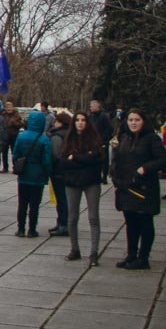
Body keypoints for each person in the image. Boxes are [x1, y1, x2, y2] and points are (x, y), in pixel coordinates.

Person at [111, 109, 166, 271]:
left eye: (137, 120)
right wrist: (114, 174)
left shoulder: (151, 139)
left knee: (145, 223)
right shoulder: (125, 137)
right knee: (130, 223)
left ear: (144, 121)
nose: (133, 123)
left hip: (144, 189)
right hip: (126, 187)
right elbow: (118, 159)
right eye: (130, 120)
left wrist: (145, 168)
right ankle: (131, 254)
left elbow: (163, 159)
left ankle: (143, 257)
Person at [62, 111, 103, 265]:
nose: (80, 122)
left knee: (93, 217)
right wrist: (85, 158)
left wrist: (77, 157)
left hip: (91, 181)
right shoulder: (69, 138)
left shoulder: (93, 139)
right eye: (77, 120)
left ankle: (94, 252)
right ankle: (75, 249)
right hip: (73, 182)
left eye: (83, 120)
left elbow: (97, 159)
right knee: (72, 217)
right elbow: (64, 162)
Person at [12, 111, 52, 238]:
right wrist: (47, 172)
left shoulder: (21, 136)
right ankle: (32, 229)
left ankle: (20, 228)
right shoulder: (44, 139)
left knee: (22, 203)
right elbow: (47, 160)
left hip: (23, 174)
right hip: (38, 176)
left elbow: (15, 155)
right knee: (34, 205)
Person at [46, 112, 71, 236]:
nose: (54, 123)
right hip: (67, 171)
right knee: (64, 199)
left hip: (58, 172)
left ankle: (63, 224)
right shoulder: (70, 134)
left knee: (61, 200)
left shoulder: (57, 136)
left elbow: (54, 155)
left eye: (56, 121)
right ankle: (63, 223)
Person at [88, 100, 114, 185]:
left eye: (91, 106)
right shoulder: (91, 116)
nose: (90, 108)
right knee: (94, 158)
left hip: (102, 142)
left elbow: (109, 129)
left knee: (104, 160)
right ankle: (96, 176)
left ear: (97, 106)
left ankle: (104, 177)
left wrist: (104, 140)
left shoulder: (104, 116)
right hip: (92, 141)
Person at [1, 102, 24, 173]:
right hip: (5, 135)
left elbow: (22, 124)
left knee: (14, 152)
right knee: (4, 152)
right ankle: (5, 167)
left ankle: (15, 167)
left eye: (10, 106)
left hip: (14, 135)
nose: (8, 108)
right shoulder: (2, 114)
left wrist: (14, 123)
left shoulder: (16, 115)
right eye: (7, 107)